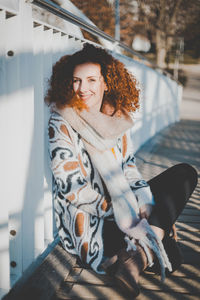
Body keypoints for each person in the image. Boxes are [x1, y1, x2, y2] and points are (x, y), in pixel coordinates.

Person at [46, 43, 197, 297]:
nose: (83, 88)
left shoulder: (116, 118)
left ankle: (134, 258)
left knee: (185, 173)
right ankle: (141, 252)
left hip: (124, 211)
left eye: (91, 80)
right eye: (76, 81)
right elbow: (73, 189)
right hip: (94, 224)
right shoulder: (62, 120)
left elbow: (129, 170)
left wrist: (145, 204)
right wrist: (122, 210)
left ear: (106, 83)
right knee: (170, 254)